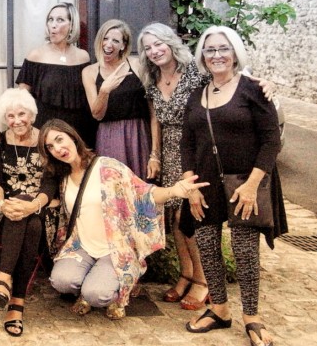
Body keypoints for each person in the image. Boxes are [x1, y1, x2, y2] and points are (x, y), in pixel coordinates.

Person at [180, 26, 286, 346]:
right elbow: (187, 142)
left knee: (244, 250)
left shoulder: (253, 89)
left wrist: (253, 185)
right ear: (202, 55)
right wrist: (190, 186)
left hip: (244, 183)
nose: (217, 55)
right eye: (210, 49)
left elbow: (271, 141)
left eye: (223, 48)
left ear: (235, 52)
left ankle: (252, 317)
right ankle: (220, 310)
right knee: (207, 244)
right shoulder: (197, 93)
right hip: (205, 183)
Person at [41, 119, 207, 320]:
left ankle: (112, 293)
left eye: (60, 139)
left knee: (96, 295)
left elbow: (142, 193)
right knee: (61, 281)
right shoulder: (63, 177)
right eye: (50, 146)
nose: (58, 149)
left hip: (114, 249)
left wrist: (173, 191)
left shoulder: (107, 167)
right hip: (82, 246)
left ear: (73, 137)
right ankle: (94, 284)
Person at [138, 22, 212, 310]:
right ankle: (186, 274)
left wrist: (262, 84)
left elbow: (228, 83)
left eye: (159, 44)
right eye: (148, 47)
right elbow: (155, 118)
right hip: (169, 150)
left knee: (188, 216)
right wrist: (154, 155)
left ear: (171, 43)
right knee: (174, 218)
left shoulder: (196, 71)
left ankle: (203, 281)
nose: (155, 51)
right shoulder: (152, 78)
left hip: (195, 149)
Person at [0, 88, 57, 337]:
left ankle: (3, 279)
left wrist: (32, 205)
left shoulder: (45, 140)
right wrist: (2, 204)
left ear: (32, 114)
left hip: (40, 206)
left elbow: (50, 183)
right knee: (29, 224)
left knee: (32, 220)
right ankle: (17, 303)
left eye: (21, 114)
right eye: (10, 116)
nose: (16, 121)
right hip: (6, 209)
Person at [15, 2, 96, 148]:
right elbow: (22, 100)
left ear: (72, 25)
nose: (53, 25)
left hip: (78, 130)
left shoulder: (83, 57)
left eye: (60, 20)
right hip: (46, 130)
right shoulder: (36, 55)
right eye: (50, 20)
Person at [82, 19, 150, 179]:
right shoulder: (90, 72)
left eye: (115, 40)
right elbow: (97, 114)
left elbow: (153, 110)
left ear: (123, 46)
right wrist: (104, 90)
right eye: (105, 38)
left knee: (141, 185)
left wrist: (155, 154)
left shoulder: (137, 65)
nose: (108, 44)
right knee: (113, 184)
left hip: (137, 134)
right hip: (109, 136)